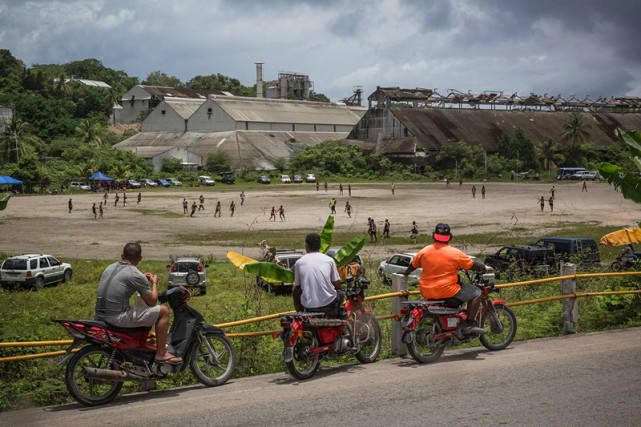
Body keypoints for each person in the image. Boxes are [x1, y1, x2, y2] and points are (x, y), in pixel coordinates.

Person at [94, 243, 181, 364]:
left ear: (122, 255)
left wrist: (141, 278)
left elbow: (124, 280)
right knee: (163, 311)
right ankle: (161, 354)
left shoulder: (109, 267)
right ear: (140, 258)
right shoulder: (135, 274)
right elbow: (152, 302)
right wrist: (154, 283)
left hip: (99, 316)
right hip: (116, 318)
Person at [403, 224, 487, 335]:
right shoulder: (455, 253)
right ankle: (469, 324)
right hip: (447, 290)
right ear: (450, 237)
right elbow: (472, 265)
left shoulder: (424, 251)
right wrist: (482, 267)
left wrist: (405, 273)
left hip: (426, 291)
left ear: (434, 236)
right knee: (477, 293)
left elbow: (412, 266)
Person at [292, 233, 342, 313]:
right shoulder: (329, 260)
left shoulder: (299, 262)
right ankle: (336, 313)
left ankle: (300, 314)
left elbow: (297, 286)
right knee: (340, 293)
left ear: (306, 246)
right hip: (329, 303)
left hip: (308, 305)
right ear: (320, 246)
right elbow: (337, 284)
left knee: (295, 290)